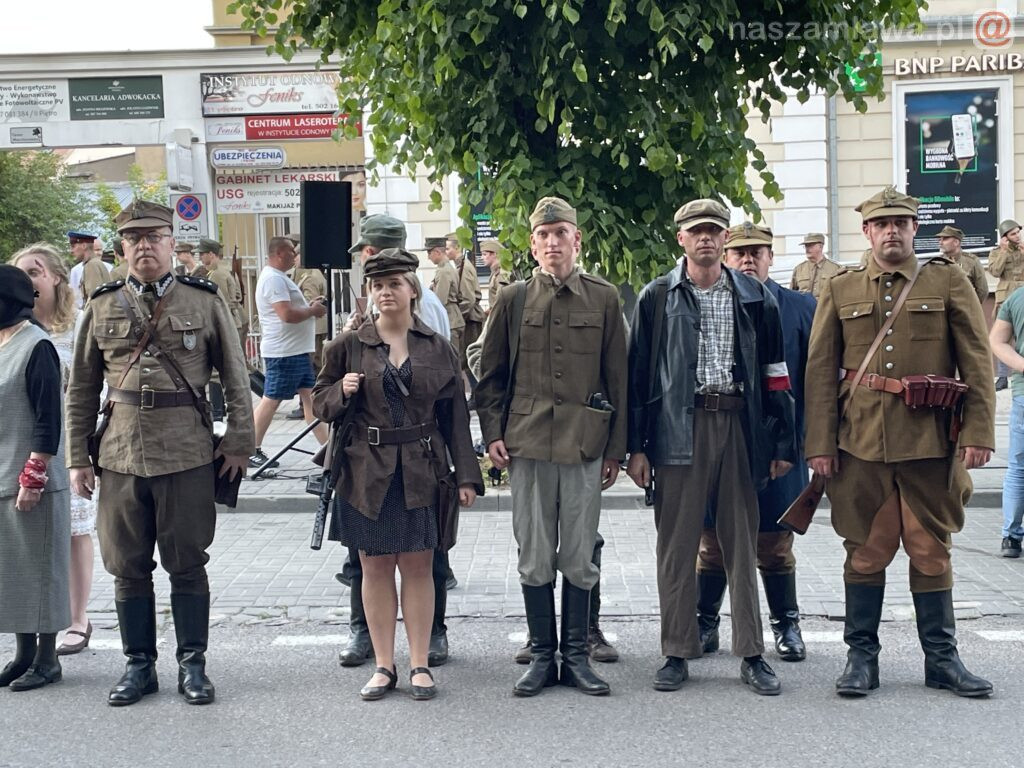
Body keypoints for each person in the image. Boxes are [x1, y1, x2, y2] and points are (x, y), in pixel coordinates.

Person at [804, 186, 995, 698]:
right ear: (866, 231)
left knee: (931, 550)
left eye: (901, 223)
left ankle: (942, 660)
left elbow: (977, 358)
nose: (891, 230)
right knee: (865, 552)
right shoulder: (841, 288)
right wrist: (818, 444)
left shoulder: (947, 279)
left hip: (932, 442)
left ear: (915, 229)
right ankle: (861, 659)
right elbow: (820, 370)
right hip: (860, 443)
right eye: (881, 223)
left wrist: (978, 431)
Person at [66, 199, 256, 707]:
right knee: (126, 566)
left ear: (174, 242)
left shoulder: (203, 300)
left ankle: (192, 665)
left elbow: (236, 376)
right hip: (121, 454)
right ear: (121, 247)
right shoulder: (102, 304)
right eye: (134, 239)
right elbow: (82, 388)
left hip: (187, 452)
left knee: (187, 562)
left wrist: (239, 441)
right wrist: (77, 459)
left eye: (155, 236)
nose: (144, 246)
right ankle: (138, 666)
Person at [626, 199, 796, 696]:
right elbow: (639, 376)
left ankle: (751, 653)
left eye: (714, 231)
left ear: (725, 238)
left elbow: (776, 371)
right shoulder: (657, 296)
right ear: (680, 238)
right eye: (696, 231)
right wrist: (636, 447)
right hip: (678, 428)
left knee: (742, 541)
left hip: (739, 428)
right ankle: (677, 651)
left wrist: (781, 437)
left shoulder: (753, 296)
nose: (706, 238)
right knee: (676, 545)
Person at [312, 248, 483, 701]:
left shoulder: (437, 346)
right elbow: (319, 401)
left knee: (419, 566)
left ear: (412, 290)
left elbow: (456, 417)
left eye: (395, 284)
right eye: (377, 285)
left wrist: (466, 476)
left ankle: (421, 664)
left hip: (422, 468)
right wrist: (341, 391)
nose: (386, 292)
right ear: (369, 293)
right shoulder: (348, 346)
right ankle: (385, 665)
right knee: (374, 567)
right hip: (366, 472)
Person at [477, 196, 628, 697]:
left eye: (560, 233)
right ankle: (543, 656)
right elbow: (491, 374)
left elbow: (618, 378)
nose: (551, 243)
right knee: (535, 554)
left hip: (585, 445)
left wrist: (617, 449)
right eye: (542, 235)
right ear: (533, 244)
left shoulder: (603, 298)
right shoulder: (514, 299)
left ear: (576, 239)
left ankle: (577, 656)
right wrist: (493, 432)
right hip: (528, 441)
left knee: (580, 555)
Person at [338, 217, 455, 669]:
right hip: (370, 460)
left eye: (365, 250)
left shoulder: (432, 319)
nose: (382, 288)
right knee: (367, 557)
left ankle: (432, 635)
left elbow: (446, 396)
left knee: (427, 554)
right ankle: (365, 633)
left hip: (420, 456)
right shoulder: (356, 327)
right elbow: (331, 385)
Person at [696, 223, 815, 662]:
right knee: (711, 539)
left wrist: (804, 443)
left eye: (758, 252)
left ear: (770, 256)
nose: (748, 259)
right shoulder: (710, 303)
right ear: (727, 255)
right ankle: (703, 620)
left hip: (780, 447)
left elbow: (815, 381)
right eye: (740, 252)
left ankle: (786, 623)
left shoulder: (802, 308)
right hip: (722, 442)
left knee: (775, 541)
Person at [11, 244, 97, 657]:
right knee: (30, 537)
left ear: (56, 277)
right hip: (19, 445)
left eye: (34, 271)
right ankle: (35, 622)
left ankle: (78, 617)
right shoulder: (11, 330)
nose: (27, 279)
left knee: (77, 529)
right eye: (20, 273)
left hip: (68, 441)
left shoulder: (77, 325)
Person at [0, 265, 70, 692]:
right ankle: (23, 655)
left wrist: (34, 474)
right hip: (3, 475)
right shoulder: (2, 343)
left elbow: (49, 418)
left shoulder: (36, 345)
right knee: (15, 572)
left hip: (31, 481)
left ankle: (47, 660)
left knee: (42, 571)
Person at [250, 236, 329, 468]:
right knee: (271, 400)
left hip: (295, 350)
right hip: (285, 352)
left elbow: (292, 309)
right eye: (291, 253)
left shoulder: (279, 278)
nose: (295, 257)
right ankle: (251, 449)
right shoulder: (273, 279)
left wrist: (308, 306)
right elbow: (286, 315)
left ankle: (328, 449)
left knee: (310, 399)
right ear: (279, 254)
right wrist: (313, 311)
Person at [989, 285, 1024, 557]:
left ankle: (1010, 537)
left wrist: (1021, 365)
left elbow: (996, 341)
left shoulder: (1016, 297)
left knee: (1018, 466)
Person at [987, 219, 1023, 390]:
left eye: (1018, 232)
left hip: (1022, 298)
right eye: (1013, 234)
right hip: (1005, 298)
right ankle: (1002, 377)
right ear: (1005, 237)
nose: (1017, 236)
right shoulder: (996, 252)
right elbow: (994, 271)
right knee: (1003, 339)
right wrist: (1003, 251)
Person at [426, 236, 466, 358]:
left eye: (429, 252)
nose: (428, 257)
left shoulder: (444, 271)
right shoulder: (448, 268)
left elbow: (439, 301)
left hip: (449, 321)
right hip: (453, 318)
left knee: (450, 359)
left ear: (437, 252)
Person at [937, 226, 988, 308]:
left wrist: (972, 307)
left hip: (965, 310)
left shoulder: (971, 261)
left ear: (956, 242)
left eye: (945, 239)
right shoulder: (938, 262)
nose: (940, 242)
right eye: (940, 239)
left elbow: (982, 290)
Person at [68, 231, 110, 309]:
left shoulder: (91, 266)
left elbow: (96, 302)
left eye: (73, 246)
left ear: (84, 246)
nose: (71, 251)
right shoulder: (95, 263)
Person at [790, 233, 841, 298]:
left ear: (821, 246)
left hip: (825, 307)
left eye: (811, 246)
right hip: (804, 307)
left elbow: (840, 294)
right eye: (806, 246)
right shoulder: (799, 269)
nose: (807, 249)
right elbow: (792, 295)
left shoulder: (835, 268)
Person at [481, 238, 512, 314]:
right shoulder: (495, 272)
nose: (482, 258)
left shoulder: (502, 274)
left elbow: (503, 301)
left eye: (485, 254)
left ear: (494, 254)